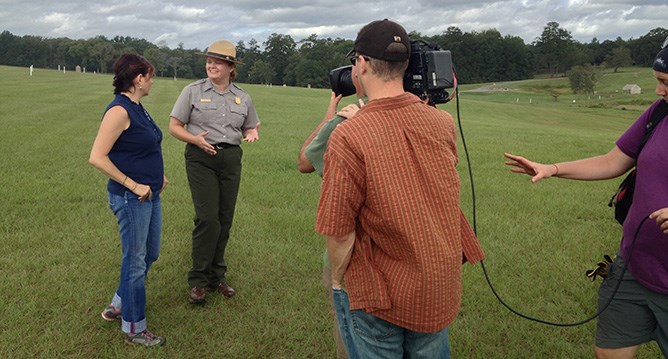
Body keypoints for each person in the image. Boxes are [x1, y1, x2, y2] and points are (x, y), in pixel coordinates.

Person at [315, 19, 485, 358]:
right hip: (437, 283)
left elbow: (339, 231)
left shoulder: (349, 134)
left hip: (379, 292)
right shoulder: (442, 122)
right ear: (405, 65)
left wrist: (337, 282)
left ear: (361, 64)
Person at [504, 38, 668, 358]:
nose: (659, 91)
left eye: (665, 83)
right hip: (635, 268)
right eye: (658, 81)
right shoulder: (658, 114)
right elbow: (612, 161)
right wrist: (552, 168)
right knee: (609, 351)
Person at [169, 39, 260, 305]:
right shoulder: (192, 91)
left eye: (218, 62)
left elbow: (250, 126)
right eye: (209, 60)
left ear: (231, 67)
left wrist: (252, 131)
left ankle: (216, 276)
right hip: (200, 157)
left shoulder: (243, 96)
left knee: (224, 219)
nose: (211, 65)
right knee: (208, 218)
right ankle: (198, 280)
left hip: (230, 159)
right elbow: (175, 126)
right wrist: (194, 140)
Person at [89, 53, 167, 347]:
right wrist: (133, 184)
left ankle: (119, 302)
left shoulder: (138, 107)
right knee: (135, 262)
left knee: (150, 254)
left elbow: (142, 148)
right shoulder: (119, 111)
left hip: (150, 194)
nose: (152, 82)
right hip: (130, 198)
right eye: (150, 77)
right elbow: (97, 157)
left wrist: (158, 177)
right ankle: (133, 327)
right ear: (139, 79)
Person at [298, 83, 366, 358]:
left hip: (357, 260)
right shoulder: (432, 118)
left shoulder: (348, 118)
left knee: (352, 340)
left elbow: (305, 161)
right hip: (416, 261)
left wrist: (331, 115)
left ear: (362, 65)